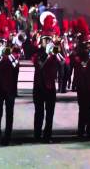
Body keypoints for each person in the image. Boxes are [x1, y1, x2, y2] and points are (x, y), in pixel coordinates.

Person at [0, 13, 20, 146]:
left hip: (10, 88)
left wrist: (10, 54)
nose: (0, 45)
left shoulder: (13, 53)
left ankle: (7, 136)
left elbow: (16, 65)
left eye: (3, 42)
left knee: (10, 114)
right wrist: (0, 56)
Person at [32, 15, 61, 143]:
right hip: (39, 86)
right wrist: (48, 54)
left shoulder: (55, 53)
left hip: (50, 87)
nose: (48, 42)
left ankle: (47, 136)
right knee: (39, 113)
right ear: (41, 41)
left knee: (50, 114)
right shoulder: (37, 53)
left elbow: (64, 62)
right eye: (45, 40)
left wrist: (59, 50)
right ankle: (37, 135)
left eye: (49, 39)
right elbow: (39, 64)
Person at [74, 17, 90, 140]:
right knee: (83, 109)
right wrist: (88, 56)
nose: (89, 45)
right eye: (87, 43)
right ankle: (81, 131)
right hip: (82, 85)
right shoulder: (78, 51)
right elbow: (80, 63)